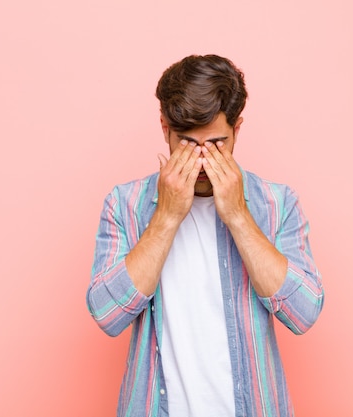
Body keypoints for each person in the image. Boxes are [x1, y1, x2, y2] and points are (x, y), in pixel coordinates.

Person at [86, 54, 324, 417]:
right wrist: (165, 217)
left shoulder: (277, 204)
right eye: (186, 144)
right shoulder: (125, 205)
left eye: (215, 144)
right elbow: (106, 315)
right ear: (164, 127)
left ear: (237, 130)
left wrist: (239, 218)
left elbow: (304, 313)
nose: (200, 161)